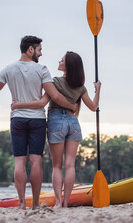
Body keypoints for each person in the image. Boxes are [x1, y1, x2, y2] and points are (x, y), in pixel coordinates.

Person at [0, 36, 77, 210]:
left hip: (17, 119)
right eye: (39, 50)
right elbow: (55, 96)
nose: (41, 54)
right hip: (38, 120)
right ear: (30, 49)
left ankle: (21, 203)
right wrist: (72, 106)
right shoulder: (42, 69)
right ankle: (34, 204)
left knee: (19, 162)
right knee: (35, 161)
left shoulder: (8, 69)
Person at [11, 51, 101, 208]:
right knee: (70, 165)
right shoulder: (81, 87)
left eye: (62, 60)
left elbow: (42, 102)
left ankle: (59, 202)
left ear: (68, 66)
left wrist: (19, 104)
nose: (59, 61)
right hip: (73, 123)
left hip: (56, 122)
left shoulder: (55, 82)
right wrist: (98, 89)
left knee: (57, 166)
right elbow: (93, 107)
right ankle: (66, 203)